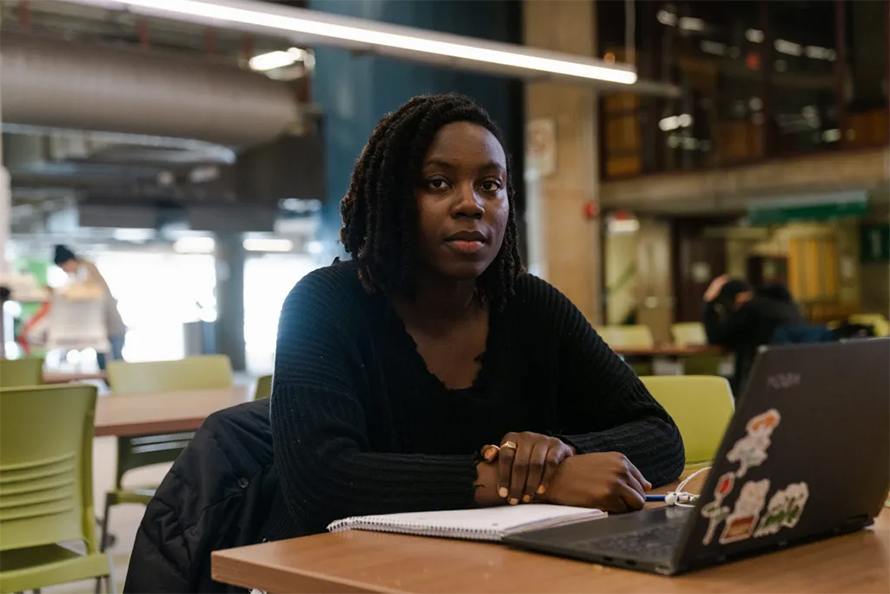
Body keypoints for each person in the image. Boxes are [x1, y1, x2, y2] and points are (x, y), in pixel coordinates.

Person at [264, 94, 684, 542]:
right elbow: (322, 484)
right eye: (438, 183)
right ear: (389, 197)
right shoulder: (324, 303)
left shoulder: (531, 304)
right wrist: (540, 483)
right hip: (333, 571)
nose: (471, 204)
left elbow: (659, 435)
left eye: (490, 185)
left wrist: (561, 455)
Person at [702, 274, 803, 395]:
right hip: (793, 378)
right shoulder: (789, 307)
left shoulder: (751, 310)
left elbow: (715, 336)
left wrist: (708, 302)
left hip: (758, 382)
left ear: (739, 298)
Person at [53, 245, 126, 369]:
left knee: (114, 366)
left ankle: (122, 387)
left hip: (110, 327)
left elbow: (94, 292)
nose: (65, 271)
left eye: (64, 267)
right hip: (102, 329)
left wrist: (65, 293)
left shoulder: (87, 270)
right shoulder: (80, 274)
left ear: (70, 261)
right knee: (105, 365)